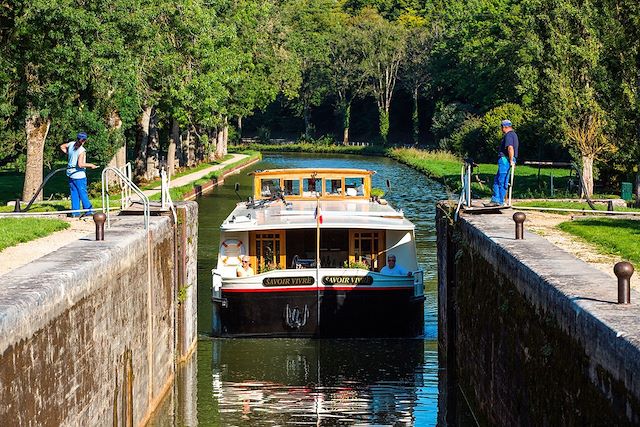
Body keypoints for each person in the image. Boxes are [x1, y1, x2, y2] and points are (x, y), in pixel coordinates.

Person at [60, 132, 98, 217]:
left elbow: (62, 146)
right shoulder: (81, 150)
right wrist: (91, 165)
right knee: (83, 193)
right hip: (79, 175)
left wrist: (69, 154)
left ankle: (75, 212)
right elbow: (80, 164)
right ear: (84, 140)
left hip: (70, 174)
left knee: (74, 193)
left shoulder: (71, 144)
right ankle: (88, 210)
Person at [485, 119, 519, 207]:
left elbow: (510, 148)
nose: (501, 129)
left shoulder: (508, 135)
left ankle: (499, 201)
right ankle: (496, 199)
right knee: (498, 180)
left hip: (505, 160)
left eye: (501, 127)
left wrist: (511, 160)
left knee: (502, 180)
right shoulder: (514, 135)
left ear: (504, 127)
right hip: (507, 160)